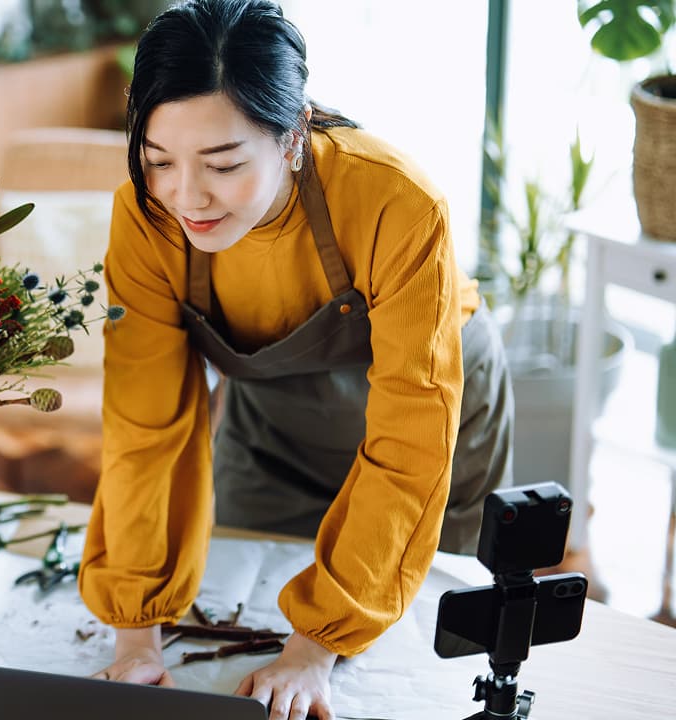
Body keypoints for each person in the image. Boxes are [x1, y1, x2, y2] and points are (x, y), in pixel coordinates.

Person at [77, 1, 515, 718]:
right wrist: (135, 638)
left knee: (422, 658)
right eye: (159, 161)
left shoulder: (398, 202)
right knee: (238, 612)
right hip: (272, 421)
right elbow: (144, 426)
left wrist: (315, 648)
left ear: (293, 136)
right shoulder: (146, 218)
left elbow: (407, 443)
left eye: (223, 163)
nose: (188, 197)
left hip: (434, 413)